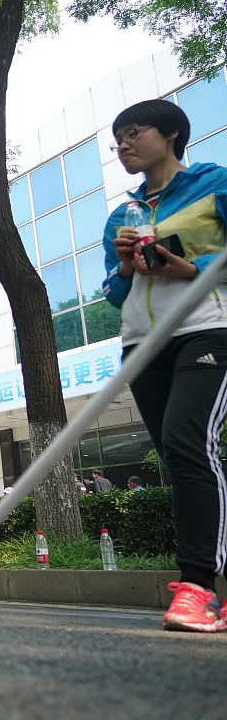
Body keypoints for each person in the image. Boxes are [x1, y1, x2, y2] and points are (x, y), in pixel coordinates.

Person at [101, 98, 227, 633]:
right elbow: (110, 290)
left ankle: (196, 587)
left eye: (134, 132)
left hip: (207, 330)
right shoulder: (120, 213)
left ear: (172, 133)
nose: (124, 145)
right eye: (118, 139)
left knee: (187, 441)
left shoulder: (214, 182)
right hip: (143, 345)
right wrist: (128, 267)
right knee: (180, 461)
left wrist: (189, 267)